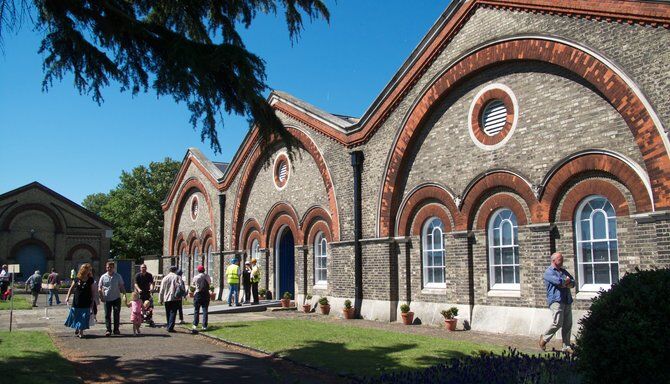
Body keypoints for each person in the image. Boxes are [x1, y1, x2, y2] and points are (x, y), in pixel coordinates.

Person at [540, 252, 575, 353]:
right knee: (558, 323)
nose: (562, 261)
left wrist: (567, 282)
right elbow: (559, 282)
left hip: (567, 299)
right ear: (554, 260)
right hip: (556, 300)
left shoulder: (564, 271)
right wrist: (565, 282)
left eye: (562, 259)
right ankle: (544, 338)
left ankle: (566, 346)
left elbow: (573, 283)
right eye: (560, 259)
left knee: (568, 324)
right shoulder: (548, 272)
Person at [64, 263, 96, 339]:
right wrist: (67, 297)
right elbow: (71, 288)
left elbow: (93, 291)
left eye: (89, 270)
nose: (88, 271)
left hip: (86, 300)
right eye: (87, 269)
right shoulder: (77, 279)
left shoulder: (90, 280)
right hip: (77, 300)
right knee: (76, 315)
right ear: (83, 270)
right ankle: (77, 328)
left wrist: (92, 300)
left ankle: (81, 331)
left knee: (83, 316)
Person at [98, 261, 126, 336]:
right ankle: (108, 330)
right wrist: (101, 297)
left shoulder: (118, 276)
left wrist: (124, 295)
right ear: (106, 268)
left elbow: (122, 286)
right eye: (108, 267)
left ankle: (116, 329)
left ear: (113, 268)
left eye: (111, 267)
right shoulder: (103, 277)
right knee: (107, 315)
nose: (109, 268)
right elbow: (99, 288)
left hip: (116, 298)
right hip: (107, 299)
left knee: (116, 313)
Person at [159, 265, 184, 333]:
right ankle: (170, 327)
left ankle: (168, 326)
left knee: (168, 312)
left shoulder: (165, 278)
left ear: (170, 270)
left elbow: (161, 290)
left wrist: (160, 299)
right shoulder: (178, 277)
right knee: (173, 312)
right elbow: (181, 287)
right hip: (175, 298)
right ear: (175, 270)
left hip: (166, 298)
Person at [191, 265, 212, 333]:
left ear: (198, 270)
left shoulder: (196, 277)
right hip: (206, 294)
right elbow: (209, 283)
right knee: (205, 310)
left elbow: (193, 284)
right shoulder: (207, 276)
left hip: (198, 294)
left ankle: (195, 324)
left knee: (196, 310)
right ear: (204, 270)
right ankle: (204, 326)